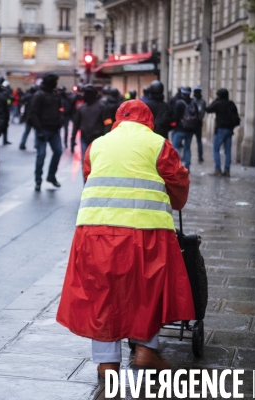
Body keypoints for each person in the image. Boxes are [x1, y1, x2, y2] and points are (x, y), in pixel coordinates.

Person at [56, 100, 194, 379]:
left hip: (95, 232)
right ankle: (145, 348)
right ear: (148, 121)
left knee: (101, 294)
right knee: (148, 288)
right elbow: (178, 185)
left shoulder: (97, 145)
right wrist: (173, 200)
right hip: (147, 231)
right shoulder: (158, 144)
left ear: (118, 120)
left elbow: (89, 177)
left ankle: (107, 364)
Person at [28, 73, 64, 191]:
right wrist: (39, 130)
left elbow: (60, 109)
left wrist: (60, 120)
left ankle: (51, 176)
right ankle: (38, 181)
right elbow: (33, 113)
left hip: (54, 129)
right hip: (43, 129)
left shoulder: (55, 94)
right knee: (41, 156)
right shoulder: (39, 95)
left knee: (58, 152)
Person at [205, 88, 240, 177]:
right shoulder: (231, 104)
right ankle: (227, 170)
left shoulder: (218, 103)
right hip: (230, 129)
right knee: (227, 151)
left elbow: (208, 109)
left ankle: (218, 169)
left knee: (216, 149)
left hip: (221, 129)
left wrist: (215, 100)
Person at [71, 84, 106, 166]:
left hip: (98, 139)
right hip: (85, 138)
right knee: (86, 162)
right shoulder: (81, 108)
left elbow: (107, 124)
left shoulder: (102, 107)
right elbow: (76, 125)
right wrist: (72, 140)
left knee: (96, 162)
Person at [171, 86, 195, 171]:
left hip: (179, 129)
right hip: (190, 130)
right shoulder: (193, 102)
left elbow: (175, 116)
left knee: (176, 147)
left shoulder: (179, 103)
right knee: (187, 148)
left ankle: (178, 166)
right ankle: (187, 167)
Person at [18, 85, 38, 150]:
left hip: (28, 117)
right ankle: (36, 144)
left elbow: (21, 99)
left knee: (26, 132)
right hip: (35, 117)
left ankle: (22, 144)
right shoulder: (37, 97)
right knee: (36, 132)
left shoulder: (28, 96)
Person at [192, 85, 206, 163]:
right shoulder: (202, 101)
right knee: (199, 140)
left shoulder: (192, 101)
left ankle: (200, 156)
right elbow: (203, 114)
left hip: (193, 123)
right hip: (198, 123)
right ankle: (200, 156)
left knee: (191, 141)